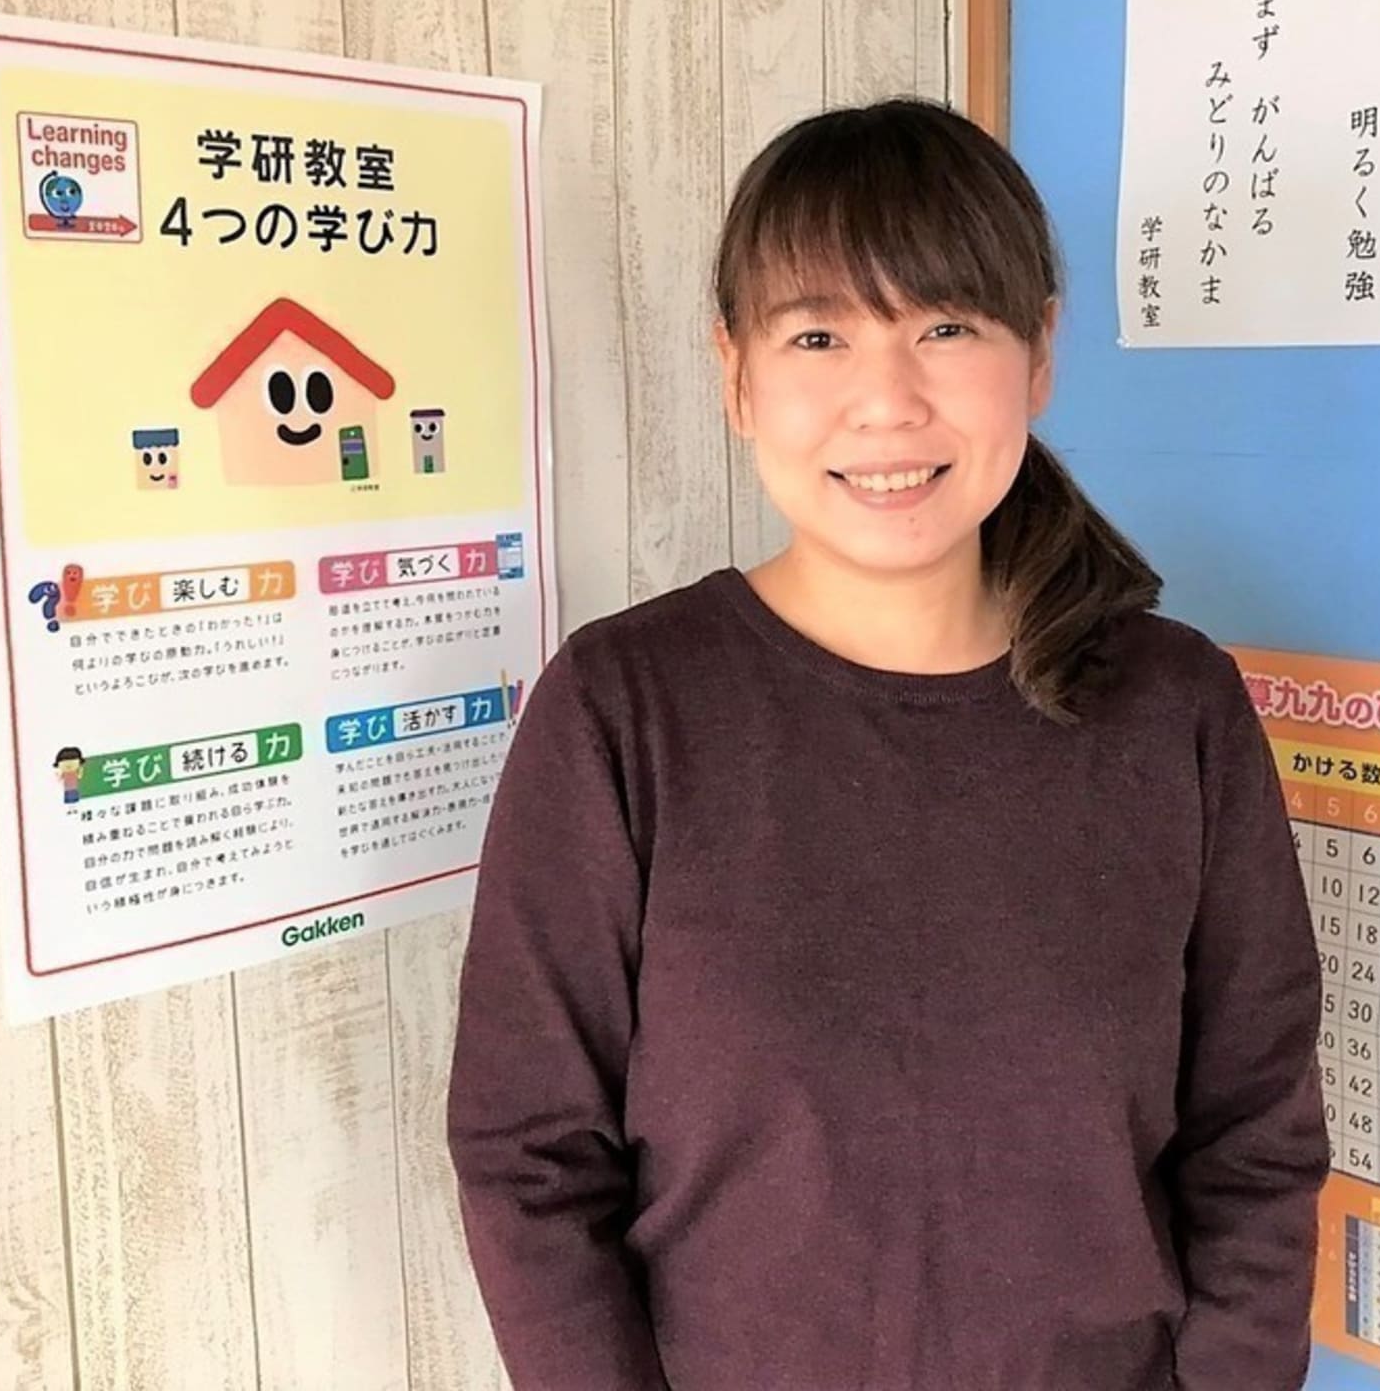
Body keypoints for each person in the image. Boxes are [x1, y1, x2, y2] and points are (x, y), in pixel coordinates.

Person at [448, 99, 1329, 1391]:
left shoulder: (1172, 705)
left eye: (946, 329)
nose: (886, 403)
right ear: (736, 373)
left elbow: (1254, 1132)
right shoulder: (625, 706)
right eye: (818, 336)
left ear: (1038, 354)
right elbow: (527, 1153)